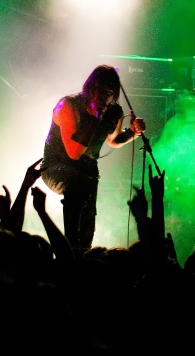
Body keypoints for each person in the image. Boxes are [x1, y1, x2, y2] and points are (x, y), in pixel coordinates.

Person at [40, 64, 146, 255]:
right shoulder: (68, 106)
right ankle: (69, 251)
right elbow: (73, 153)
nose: (105, 97)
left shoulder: (114, 111)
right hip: (56, 166)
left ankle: (83, 252)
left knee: (88, 217)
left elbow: (113, 140)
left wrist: (133, 133)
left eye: (110, 92)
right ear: (90, 88)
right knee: (77, 186)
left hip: (87, 172)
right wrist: (94, 118)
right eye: (101, 91)